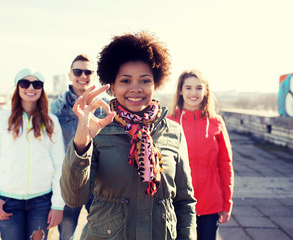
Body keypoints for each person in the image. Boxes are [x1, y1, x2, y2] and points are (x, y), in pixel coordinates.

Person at [60, 31, 197, 240]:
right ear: (112, 86)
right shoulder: (98, 130)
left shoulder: (173, 132)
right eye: (125, 81)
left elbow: (184, 202)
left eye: (144, 81)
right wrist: (82, 142)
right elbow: (73, 197)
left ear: (155, 84)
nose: (136, 88)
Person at [0, 68, 65, 240]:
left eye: (37, 84)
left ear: (42, 89)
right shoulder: (2, 120)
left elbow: (60, 165)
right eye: (25, 83)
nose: (31, 88)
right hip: (8, 201)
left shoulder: (51, 122)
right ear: (17, 88)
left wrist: (58, 205)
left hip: (41, 200)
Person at [167, 70, 234, 240]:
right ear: (180, 91)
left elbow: (225, 164)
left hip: (210, 202)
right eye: (188, 88)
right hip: (177, 203)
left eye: (198, 88)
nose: (193, 93)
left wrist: (227, 202)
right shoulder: (169, 122)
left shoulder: (216, 121)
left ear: (205, 91)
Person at [50, 54, 103, 240]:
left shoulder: (103, 107)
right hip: (68, 182)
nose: (83, 75)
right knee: (66, 235)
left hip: (98, 183)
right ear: (70, 75)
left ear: (94, 76)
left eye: (88, 71)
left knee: (102, 233)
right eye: (78, 71)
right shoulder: (55, 108)